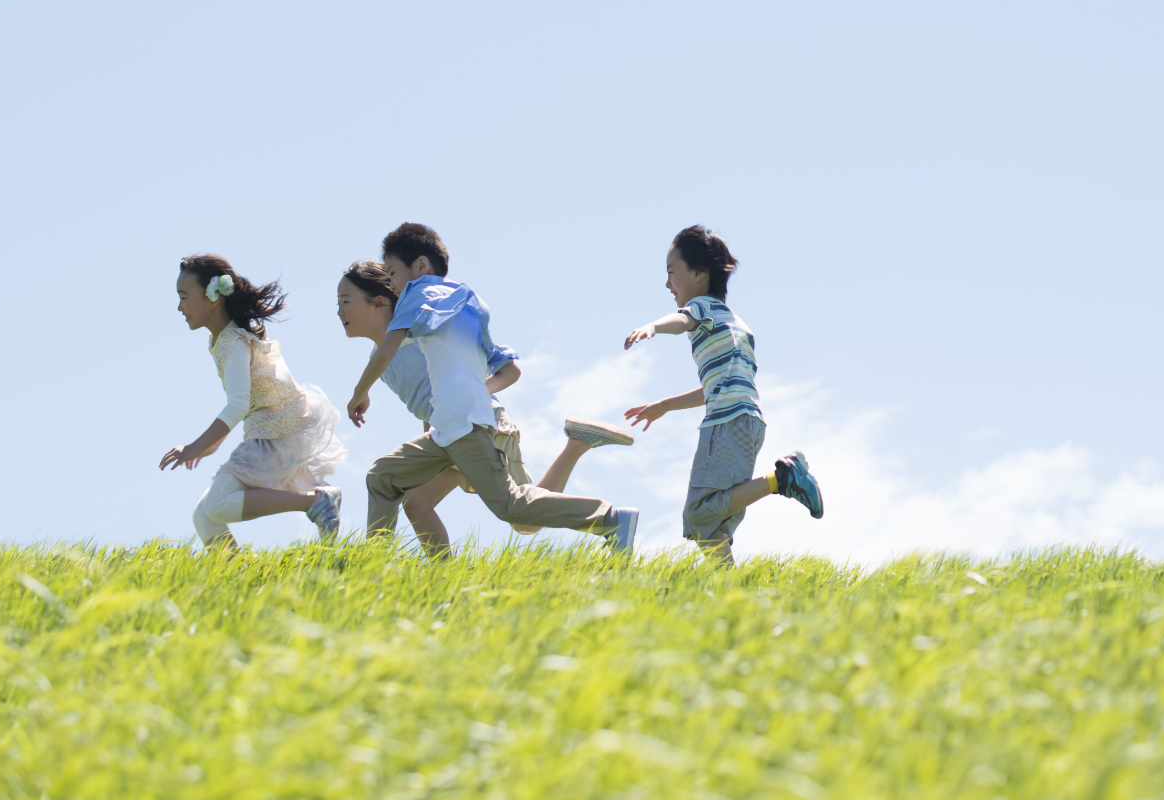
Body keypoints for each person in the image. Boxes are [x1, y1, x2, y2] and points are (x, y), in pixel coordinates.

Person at [350, 223, 639, 552]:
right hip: (451, 427)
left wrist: (360, 393)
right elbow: (506, 368)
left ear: (419, 267)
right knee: (385, 479)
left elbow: (392, 354)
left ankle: (608, 515)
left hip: (471, 425)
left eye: (393, 275)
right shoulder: (467, 304)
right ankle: (379, 563)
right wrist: (470, 391)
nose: (394, 286)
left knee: (516, 512)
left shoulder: (415, 306)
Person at [623, 225, 823, 565]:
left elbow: (682, 319)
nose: (668, 284)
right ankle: (731, 593)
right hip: (749, 423)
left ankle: (783, 477)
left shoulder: (701, 307)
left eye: (672, 273)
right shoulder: (736, 324)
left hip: (725, 424)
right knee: (710, 526)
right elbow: (718, 385)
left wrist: (654, 326)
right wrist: (665, 406)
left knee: (699, 515)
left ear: (699, 273)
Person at [159, 254, 345, 548]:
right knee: (203, 515)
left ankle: (316, 501)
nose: (179, 307)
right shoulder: (221, 340)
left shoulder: (233, 340)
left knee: (217, 504)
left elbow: (238, 405)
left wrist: (196, 445)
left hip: (279, 433)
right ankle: (244, 575)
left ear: (213, 297)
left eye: (184, 297)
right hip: (267, 431)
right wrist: (210, 447)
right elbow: (242, 403)